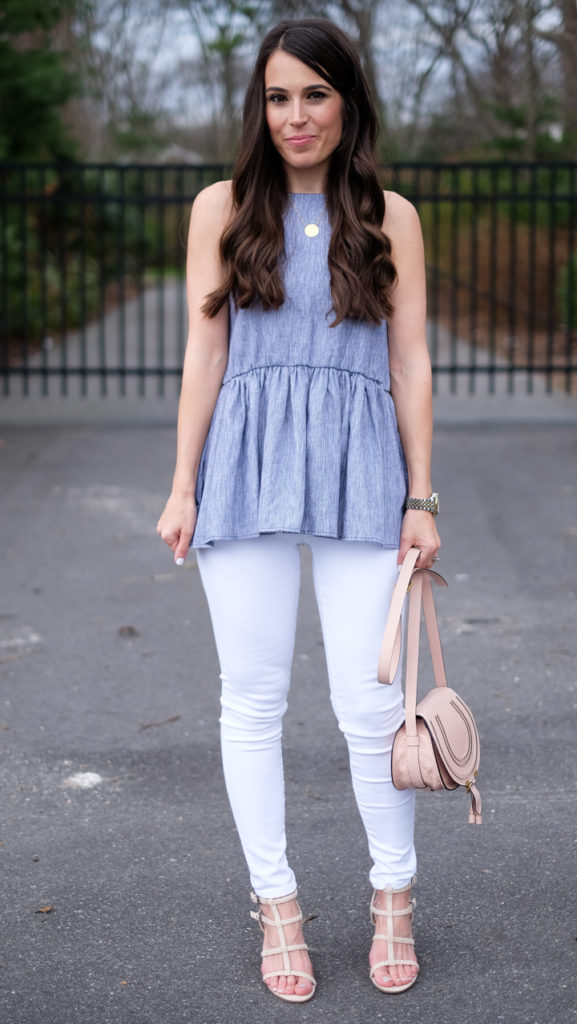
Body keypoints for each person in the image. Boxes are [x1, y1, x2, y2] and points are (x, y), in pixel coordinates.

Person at [157, 17, 440, 1004]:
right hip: (244, 464)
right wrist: (183, 481)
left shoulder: (389, 213)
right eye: (278, 96)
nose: (296, 115)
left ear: (346, 102)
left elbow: (408, 361)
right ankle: (276, 903)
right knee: (254, 698)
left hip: (363, 468)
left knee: (370, 704)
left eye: (314, 94)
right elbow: (205, 353)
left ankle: (392, 893)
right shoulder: (222, 206)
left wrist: (421, 496)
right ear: (258, 107)